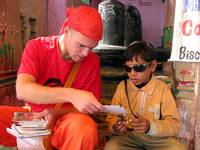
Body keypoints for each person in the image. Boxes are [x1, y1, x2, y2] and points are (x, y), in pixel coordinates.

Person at [0, 5, 104, 150]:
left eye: (91, 48)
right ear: (67, 31)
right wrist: (72, 95)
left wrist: (56, 112)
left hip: (66, 121)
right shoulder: (37, 47)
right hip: (33, 117)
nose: (85, 53)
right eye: (81, 45)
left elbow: (88, 107)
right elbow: (22, 90)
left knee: (84, 129)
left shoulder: (91, 61)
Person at [104, 41, 186, 150]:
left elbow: (173, 125)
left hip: (157, 139)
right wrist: (115, 127)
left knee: (178, 149)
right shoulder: (122, 87)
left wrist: (150, 126)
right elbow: (111, 117)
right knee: (111, 147)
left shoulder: (162, 89)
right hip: (129, 137)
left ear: (152, 66)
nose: (132, 73)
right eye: (128, 68)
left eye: (138, 68)